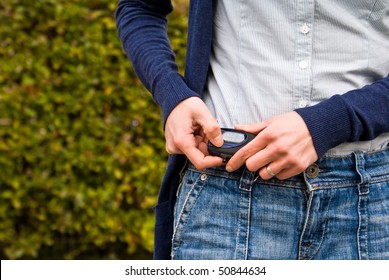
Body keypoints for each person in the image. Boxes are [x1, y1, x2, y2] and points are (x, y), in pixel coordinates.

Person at [116, 0, 389, 260]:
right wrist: (172, 95)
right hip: (226, 191)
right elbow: (140, 6)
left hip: (371, 198)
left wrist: (330, 123)